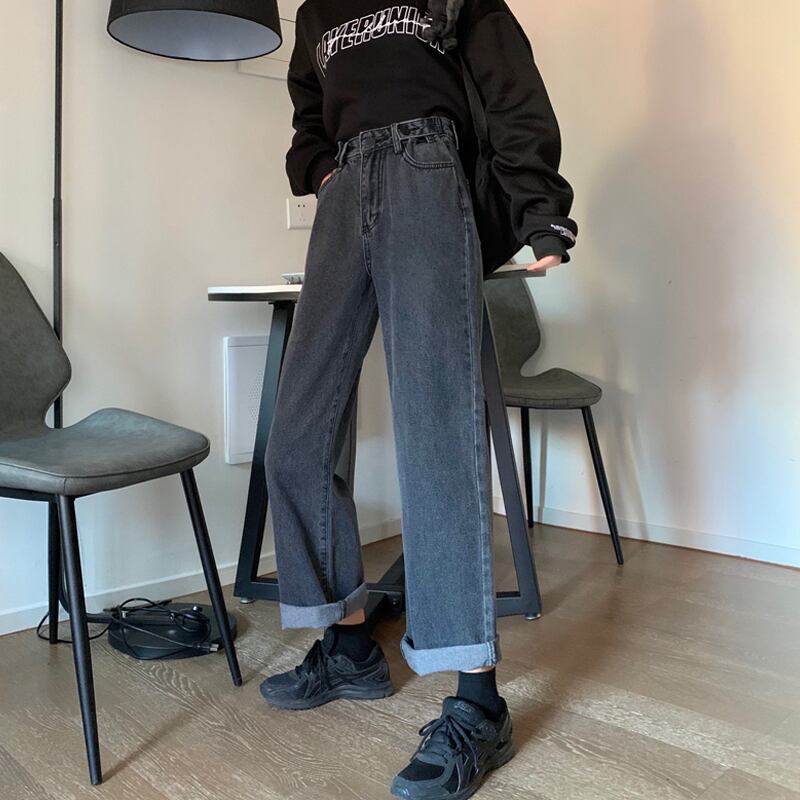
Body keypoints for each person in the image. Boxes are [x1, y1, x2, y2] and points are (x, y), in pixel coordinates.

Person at [259, 1, 577, 797]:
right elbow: (307, 115)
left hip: (429, 177)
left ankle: (478, 704)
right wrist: (325, 174)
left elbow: (511, 88)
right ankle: (349, 646)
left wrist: (540, 209)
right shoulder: (315, 13)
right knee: (295, 437)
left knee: (437, 435)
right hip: (345, 193)